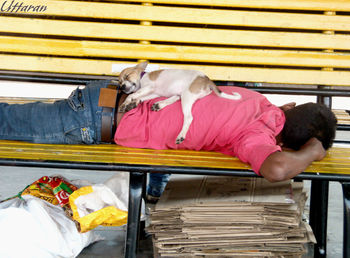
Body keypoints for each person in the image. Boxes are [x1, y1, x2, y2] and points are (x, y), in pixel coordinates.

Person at [0, 80, 337, 200]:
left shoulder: (254, 99)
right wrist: (312, 151)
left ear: (288, 107)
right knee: (7, 122)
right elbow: (276, 169)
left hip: (107, 101)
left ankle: (151, 200)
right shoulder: (257, 134)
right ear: (287, 144)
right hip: (92, 120)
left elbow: (188, 130)